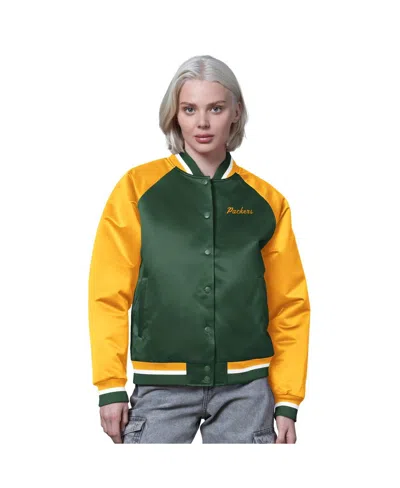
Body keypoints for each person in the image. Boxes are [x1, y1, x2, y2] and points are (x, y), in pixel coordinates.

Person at [88, 54, 311, 444]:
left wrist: (287, 398)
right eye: (190, 109)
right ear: (175, 114)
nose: (202, 122)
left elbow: (289, 304)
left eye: (216, 108)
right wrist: (110, 385)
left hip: (247, 390)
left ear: (236, 112)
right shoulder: (137, 190)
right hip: (161, 387)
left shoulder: (266, 201)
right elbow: (108, 293)